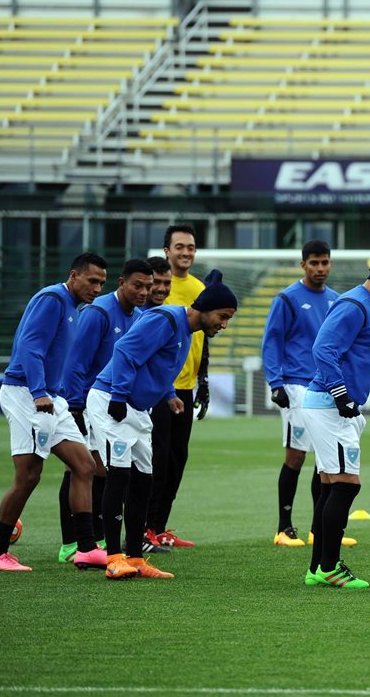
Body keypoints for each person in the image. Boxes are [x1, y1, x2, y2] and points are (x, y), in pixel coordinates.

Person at [88, 270, 236, 580]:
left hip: (138, 407)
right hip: (112, 400)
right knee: (120, 475)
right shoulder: (167, 320)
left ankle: (136, 557)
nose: (224, 324)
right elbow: (126, 351)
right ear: (205, 308)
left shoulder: (186, 331)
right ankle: (114, 557)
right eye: (223, 317)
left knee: (144, 480)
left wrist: (169, 395)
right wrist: (118, 395)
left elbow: (157, 363)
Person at [0, 253, 110, 572]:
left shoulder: (74, 308)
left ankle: (86, 548)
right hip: (26, 394)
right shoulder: (53, 299)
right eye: (92, 280)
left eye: (101, 283)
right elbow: (29, 346)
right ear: (74, 275)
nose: (96, 288)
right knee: (28, 476)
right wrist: (39, 392)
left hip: (51, 398)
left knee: (84, 465)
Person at [303, 243, 370, 589]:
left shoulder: (369, 305)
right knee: (347, 485)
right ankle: (329, 567)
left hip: (332, 407)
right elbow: (323, 348)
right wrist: (340, 394)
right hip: (329, 406)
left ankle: (317, 568)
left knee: (329, 486)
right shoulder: (354, 305)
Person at [56, 259, 153, 563]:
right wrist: (74, 405)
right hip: (87, 400)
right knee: (83, 467)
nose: (144, 291)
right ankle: (72, 542)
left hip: (114, 402)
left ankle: (94, 538)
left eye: (148, 287)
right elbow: (76, 362)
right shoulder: (98, 312)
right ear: (122, 283)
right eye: (138, 285)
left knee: (98, 468)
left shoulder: (139, 317)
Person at [262, 240, 340, 547]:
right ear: (303, 265)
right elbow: (272, 341)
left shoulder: (336, 300)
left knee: (324, 459)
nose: (320, 268)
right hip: (295, 385)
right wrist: (275, 382)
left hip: (325, 387)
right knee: (296, 455)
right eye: (314, 263)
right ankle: (284, 528)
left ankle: (316, 528)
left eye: (324, 263)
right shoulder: (288, 298)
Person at [146, 224, 206, 549]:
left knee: (177, 459)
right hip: (158, 388)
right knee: (156, 457)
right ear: (167, 250)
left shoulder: (199, 287)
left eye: (191, 247)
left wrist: (204, 380)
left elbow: (203, 336)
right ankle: (144, 527)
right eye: (180, 247)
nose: (186, 252)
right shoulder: (155, 286)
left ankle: (159, 526)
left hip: (186, 388)